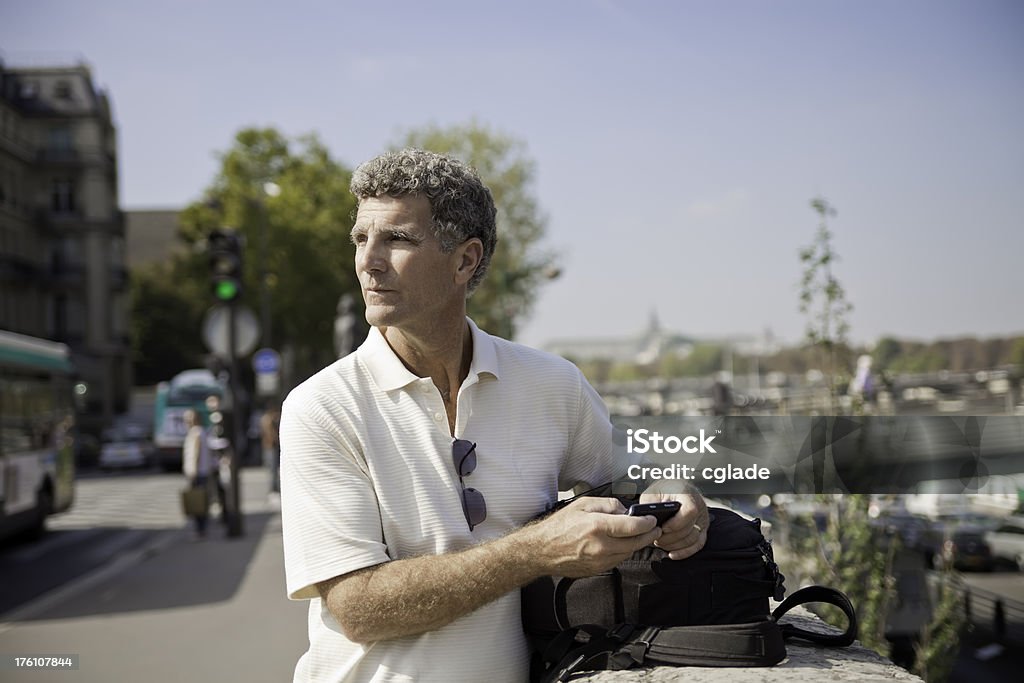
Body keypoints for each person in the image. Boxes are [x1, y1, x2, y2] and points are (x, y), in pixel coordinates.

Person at [280, 148, 708, 682]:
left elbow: (634, 478)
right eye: (362, 239)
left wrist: (675, 492)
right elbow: (358, 607)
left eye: (397, 239)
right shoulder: (321, 407)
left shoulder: (553, 383)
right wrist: (535, 551)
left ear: (464, 260)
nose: (369, 260)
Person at [181, 408, 215, 539]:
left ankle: (200, 530)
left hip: (197, 473)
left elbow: (196, 452)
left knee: (197, 503)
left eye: (188, 418)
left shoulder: (195, 433)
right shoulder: (202, 432)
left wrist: (193, 470)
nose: (186, 421)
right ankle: (202, 529)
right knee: (202, 501)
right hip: (203, 472)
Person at [260, 402, 281, 497]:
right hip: (270, 446)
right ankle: (273, 488)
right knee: (272, 468)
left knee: (272, 468)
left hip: (269, 446)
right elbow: (270, 434)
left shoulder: (265, 419)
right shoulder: (268, 420)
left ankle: (274, 487)